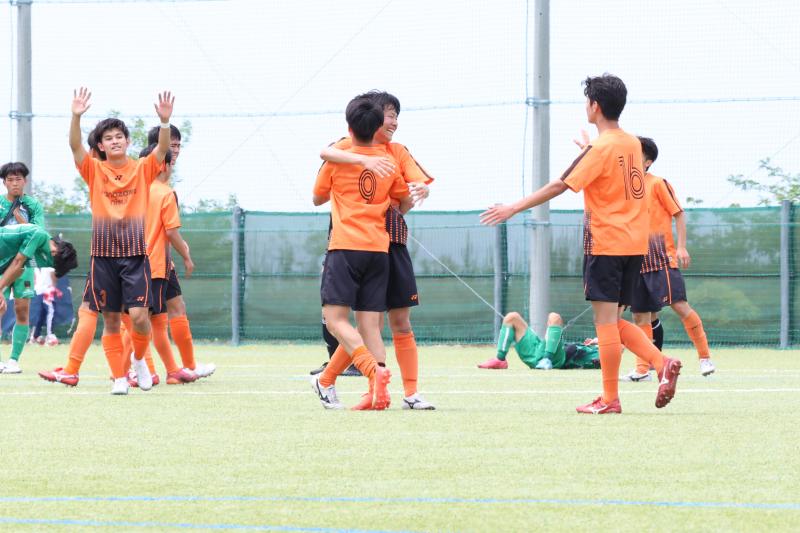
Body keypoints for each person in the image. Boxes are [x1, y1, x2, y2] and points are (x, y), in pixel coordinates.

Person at [481, 74, 682, 414]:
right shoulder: (631, 144)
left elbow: (560, 185)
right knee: (614, 321)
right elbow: (608, 172)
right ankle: (660, 363)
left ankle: (611, 398)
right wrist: (589, 151)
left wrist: (513, 207)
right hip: (635, 245)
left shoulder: (600, 149)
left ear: (595, 106)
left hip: (607, 244)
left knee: (605, 323)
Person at [314, 90, 435, 410]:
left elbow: (412, 190)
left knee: (394, 322)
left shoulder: (397, 152)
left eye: (396, 116)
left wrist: (420, 190)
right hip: (358, 244)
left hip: (388, 244)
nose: (394, 122)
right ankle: (354, 382)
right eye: (389, 115)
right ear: (373, 119)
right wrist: (364, 160)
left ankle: (409, 393)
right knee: (369, 325)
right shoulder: (345, 147)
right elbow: (325, 153)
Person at [49, 87, 172, 396]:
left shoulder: (142, 169)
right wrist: (76, 116)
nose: (115, 140)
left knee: (140, 318)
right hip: (103, 258)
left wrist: (164, 122)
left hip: (136, 256)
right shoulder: (94, 170)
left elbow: (161, 150)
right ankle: (119, 378)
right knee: (112, 321)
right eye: (108, 138)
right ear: (101, 146)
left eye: (119, 136)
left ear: (128, 141)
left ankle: (139, 360)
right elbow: (74, 145)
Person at [622, 137, 715, 381]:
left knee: (680, 306)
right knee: (640, 316)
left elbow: (679, 214)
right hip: (636, 264)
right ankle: (643, 370)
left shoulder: (658, 183)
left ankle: (705, 357)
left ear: (647, 162)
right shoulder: (624, 187)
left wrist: (681, 247)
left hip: (662, 260)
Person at [0, 162, 45, 373]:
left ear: (25, 181)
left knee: (22, 309)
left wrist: (20, 219)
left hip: (24, 265)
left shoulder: (33, 206)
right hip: (1, 264)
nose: (15, 183)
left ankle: (13, 361)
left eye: (18, 179)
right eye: (10, 180)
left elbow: (39, 234)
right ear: (4, 183)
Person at [0, 225, 77, 328]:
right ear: (55, 251)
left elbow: (19, 269)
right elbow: (18, 262)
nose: (51, 263)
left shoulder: (46, 259)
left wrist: (2, 290)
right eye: (54, 260)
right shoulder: (38, 234)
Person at [478, 312, 599, 370]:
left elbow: (607, 356)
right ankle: (500, 360)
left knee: (554, 317)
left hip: (556, 359)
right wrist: (596, 340)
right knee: (511, 318)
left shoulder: (601, 355)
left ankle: (546, 360)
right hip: (538, 351)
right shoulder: (601, 345)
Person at [31, 266, 61, 345]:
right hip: (38, 292)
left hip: (48, 293)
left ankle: (49, 335)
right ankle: (36, 336)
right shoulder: (34, 266)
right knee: (41, 315)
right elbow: (34, 278)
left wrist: (52, 289)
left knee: (49, 313)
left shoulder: (48, 264)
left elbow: (53, 276)